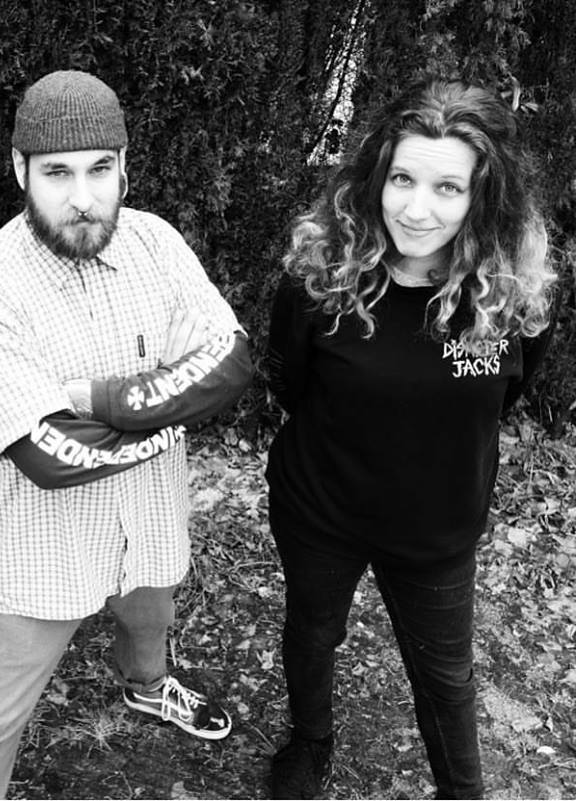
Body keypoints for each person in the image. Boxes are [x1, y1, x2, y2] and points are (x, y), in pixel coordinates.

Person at [0, 69, 254, 799]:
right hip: (42, 551)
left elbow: (231, 360)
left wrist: (101, 400)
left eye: (99, 169)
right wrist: (169, 407)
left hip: (149, 522)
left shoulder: (157, 244)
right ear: (19, 169)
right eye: (57, 172)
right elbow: (48, 456)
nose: (82, 197)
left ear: (124, 165)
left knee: (152, 620)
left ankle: (146, 687)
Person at [264, 78, 556, 798]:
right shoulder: (321, 279)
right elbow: (290, 383)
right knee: (312, 633)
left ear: (484, 196)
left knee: (447, 676)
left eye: (448, 188)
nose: (416, 209)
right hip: (321, 512)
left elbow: (506, 394)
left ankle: (463, 790)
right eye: (402, 179)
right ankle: (310, 742)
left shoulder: (511, 295)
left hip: (437, 530)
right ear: (377, 176)